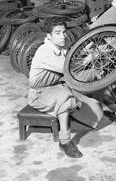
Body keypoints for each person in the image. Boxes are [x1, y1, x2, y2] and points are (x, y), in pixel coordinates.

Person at [28, 17, 104, 158]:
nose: (63, 36)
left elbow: (73, 55)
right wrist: (88, 58)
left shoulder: (61, 47)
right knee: (66, 98)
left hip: (57, 86)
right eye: (57, 33)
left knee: (94, 73)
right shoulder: (45, 51)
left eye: (64, 32)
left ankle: (111, 104)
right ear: (49, 36)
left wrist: (90, 45)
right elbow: (69, 67)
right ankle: (65, 141)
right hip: (40, 94)